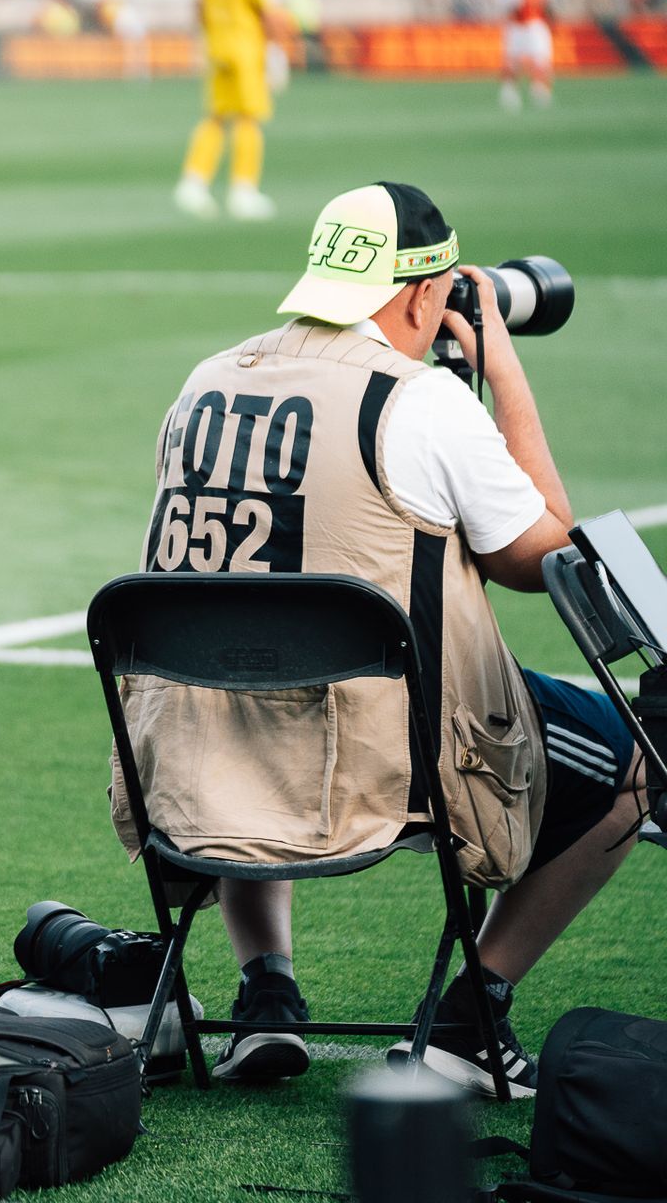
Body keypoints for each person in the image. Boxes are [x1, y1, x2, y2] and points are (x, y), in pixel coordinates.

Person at [117, 183, 647, 1098]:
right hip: (385, 767)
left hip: (193, 763)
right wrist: (504, 368)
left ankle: (265, 991)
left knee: (251, 671)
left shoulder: (203, 380)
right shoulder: (424, 402)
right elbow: (544, 555)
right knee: (636, 757)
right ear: (417, 296)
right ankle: (468, 1021)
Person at [174, 0, 284, 222]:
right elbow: (266, 9)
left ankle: (193, 183)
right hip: (245, 47)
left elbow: (199, 1)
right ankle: (243, 190)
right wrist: (275, 50)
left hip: (217, 45)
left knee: (216, 116)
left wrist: (206, 38)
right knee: (249, 118)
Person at [502, 0, 554, 112]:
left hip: (534, 23)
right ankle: (509, 90)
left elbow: (545, 3)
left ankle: (538, 88)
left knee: (541, 58)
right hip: (518, 24)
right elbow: (513, 4)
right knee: (513, 59)